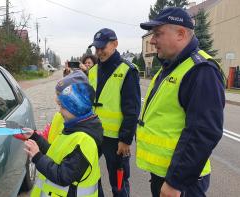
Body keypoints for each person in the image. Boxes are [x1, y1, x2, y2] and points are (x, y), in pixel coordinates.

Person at [137, 7, 225, 197]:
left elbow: (203, 132)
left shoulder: (201, 70)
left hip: (182, 182)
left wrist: (176, 182)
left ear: (181, 34)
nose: (152, 41)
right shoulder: (171, 66)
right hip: (166, 174)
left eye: (158, 34)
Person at [22, 71, 104, 196]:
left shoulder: (85, 140)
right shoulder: (73, 128)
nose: (59, 111)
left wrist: (37, 157)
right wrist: (35, 137)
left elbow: (63, 176)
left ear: (76, 106)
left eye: (63, 106)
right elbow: (56, 153)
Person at [88, 28, 141, 197]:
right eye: (96, 48)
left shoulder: (127, 70)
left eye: (103, 47)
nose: (99, 52)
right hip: (94, 133)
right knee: (88, 173)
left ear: (115, 44)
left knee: (118, 182)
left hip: (116, 139)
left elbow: (132, 109)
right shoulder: (93, 71)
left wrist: (125, 139)